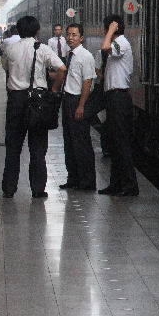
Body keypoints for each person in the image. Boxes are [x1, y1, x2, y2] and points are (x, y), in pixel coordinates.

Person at [0, 15, 66, 198]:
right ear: (37, 32)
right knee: (38, 148)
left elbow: (6, 67)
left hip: (16, 100)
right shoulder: (42, 48)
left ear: (19, 31)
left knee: (13, 146)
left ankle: (9, 188)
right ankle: (37, 189)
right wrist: (53, 90)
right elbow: (61, 69)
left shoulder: (10, 49)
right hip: (37, 101)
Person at [97, 14, 138, 196]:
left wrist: (112, 31)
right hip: (113, 98)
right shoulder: (119, 44)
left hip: (119, 99)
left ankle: (130, 185)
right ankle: (116, 183)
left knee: (121, 144)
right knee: (114, 143)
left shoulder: (122, 42)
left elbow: (104, 47)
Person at [59, 23, 97, 191]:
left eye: (74, 35)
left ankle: (87, 181)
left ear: (81, 38)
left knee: (81, 143)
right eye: (68, 34)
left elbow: (87, 82)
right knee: (69, 142)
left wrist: (81, 106)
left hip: (78, 101)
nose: (70, 38)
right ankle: (73, 178)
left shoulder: (85, 56)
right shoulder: (70, 55)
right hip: (68, 100)